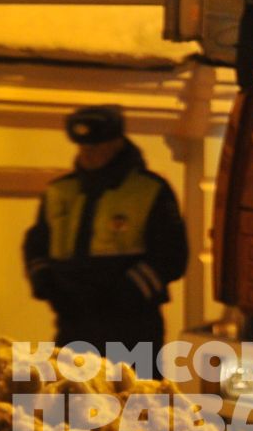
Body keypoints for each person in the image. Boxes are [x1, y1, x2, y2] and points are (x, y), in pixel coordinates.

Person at [22, 104, 189, 360]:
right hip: (74, 321)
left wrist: (124, 294)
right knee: (74, 395)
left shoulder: (150, 190)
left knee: (135, 398)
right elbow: (37, 243)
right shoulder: (60, 192)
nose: (89, 154)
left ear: (117, 143)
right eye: (84, 147)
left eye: (97, 147)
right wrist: (45, 281)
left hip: (132, 325)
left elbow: (171, 256)